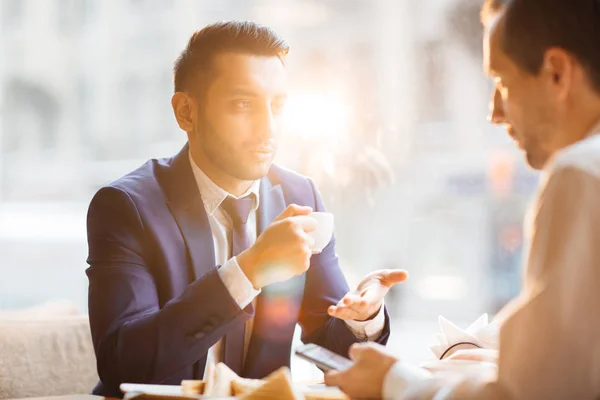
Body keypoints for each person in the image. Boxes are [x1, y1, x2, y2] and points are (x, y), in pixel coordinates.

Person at [85, 21, 408, 397]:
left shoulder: (298, 196)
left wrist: (363, 319)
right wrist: (249, 270)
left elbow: (335, 350)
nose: (267, 128)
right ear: (186, 112)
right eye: (243, 104)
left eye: (278, 106)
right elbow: (123, 364)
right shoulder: (127, 207)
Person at [325, 0, 600, 398]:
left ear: (556, 73)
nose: (495, 113)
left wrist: (394, 382)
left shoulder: (580, 175)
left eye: (503, 83)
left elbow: (533, 392)